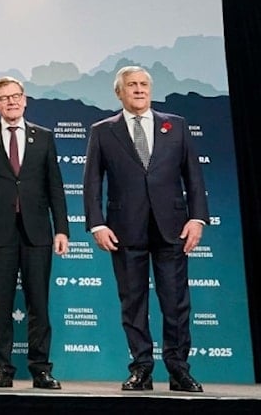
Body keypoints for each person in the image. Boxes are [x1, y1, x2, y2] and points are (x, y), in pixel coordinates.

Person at [82, 65, 208, 393]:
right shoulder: (102, 130)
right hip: (125, 229)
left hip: (173, 228)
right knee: (133, 302)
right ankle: (141, 369)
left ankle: (179, 369)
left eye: (143, 85)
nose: (139, 90)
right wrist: (96, 223)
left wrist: (198, 218)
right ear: (118, 92)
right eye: (132, 85)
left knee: (176, 303)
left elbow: (193, 177)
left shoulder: (176, 126)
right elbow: (92, 181)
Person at [0, 76, 69, 390]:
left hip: (38, 233)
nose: (11, 102)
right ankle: (2, 370)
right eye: (4, 98)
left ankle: (41, 369)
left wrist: (61, 229)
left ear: (25, 100)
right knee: (2, 305)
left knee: (39, 302)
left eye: (16, 96)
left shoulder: (45, 137)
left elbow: (55, 187)